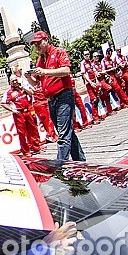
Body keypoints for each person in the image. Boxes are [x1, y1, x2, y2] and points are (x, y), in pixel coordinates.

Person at [27, 32, 85, 161]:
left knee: (63, 134)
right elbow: (36, 82)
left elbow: (66, 70)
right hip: (51, 100)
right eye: (35, 45)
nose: (37, 47)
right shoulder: (40, 60)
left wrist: (45, 71)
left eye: (39, 43)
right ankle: (80, 161)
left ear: (46, 40)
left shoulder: (59, 52)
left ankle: (60, 165)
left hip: (64, 95)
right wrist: (28, 77)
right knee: (65, 131)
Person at [1, 77, 40, 156]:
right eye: (13, 81)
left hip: (28, 110)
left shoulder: (23, 87)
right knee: (22, 133)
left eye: (16, 80)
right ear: (10, 82)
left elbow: (32, 93)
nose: (15, 82)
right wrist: (12, 110)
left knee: (33, 130)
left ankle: (36, 147)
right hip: (19, 113)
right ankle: (26, 151)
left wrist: (23, 88)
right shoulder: (8, 92)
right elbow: (3, 103)